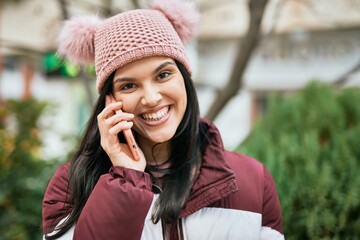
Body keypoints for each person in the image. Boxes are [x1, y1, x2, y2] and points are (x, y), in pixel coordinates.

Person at [42, 0, 284, 239]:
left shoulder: (253, 180)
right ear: (109, 101)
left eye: (164, 74)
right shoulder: (70, 187)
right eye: (128, 85)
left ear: (185, 79)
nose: (151, 97)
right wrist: (126, 180)